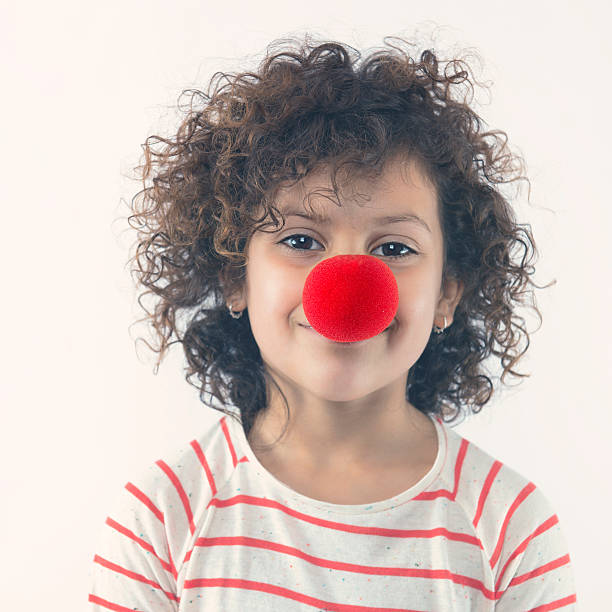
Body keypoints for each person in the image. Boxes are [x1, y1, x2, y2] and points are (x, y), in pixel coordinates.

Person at [88, 35, 577, 610]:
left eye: (394, 248)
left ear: (448, 292)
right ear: (234, 278)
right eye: (300, 240)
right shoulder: (163, 517)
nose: (346, 285)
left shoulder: (510, 527)